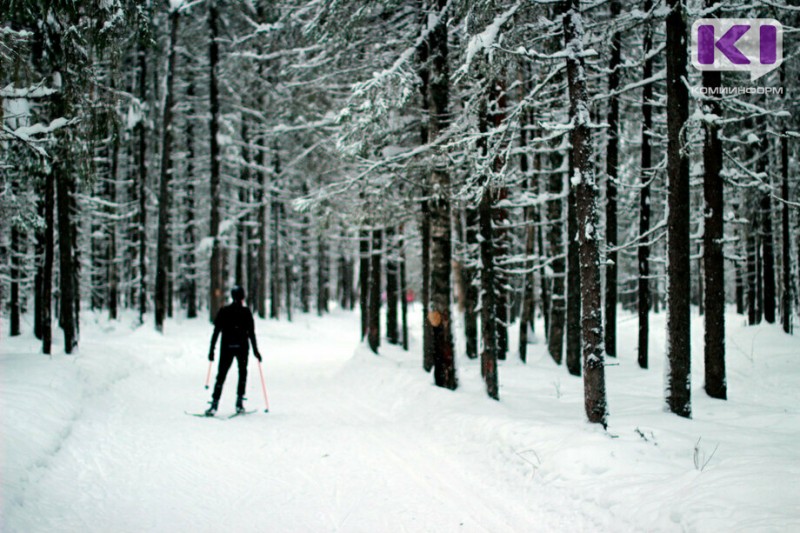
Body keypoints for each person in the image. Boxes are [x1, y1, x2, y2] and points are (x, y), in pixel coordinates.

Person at [205, 286, 262, 416]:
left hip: (227, 348)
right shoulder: (246, 312)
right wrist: (256, 351)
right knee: (242, 373)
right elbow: (251, 333)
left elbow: (216, 332)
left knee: (221, 375)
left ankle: (214, 404)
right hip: (242, 348)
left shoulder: (224, 311)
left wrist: (211, 350)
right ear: (243, 297)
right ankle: (239, 403)